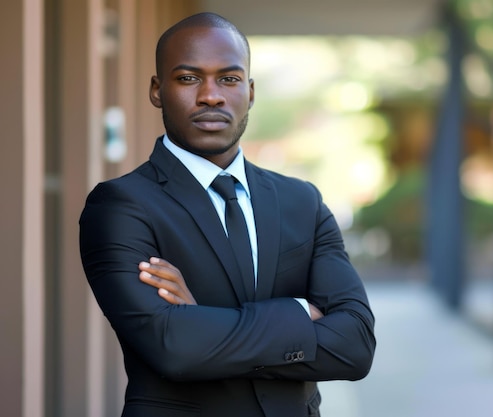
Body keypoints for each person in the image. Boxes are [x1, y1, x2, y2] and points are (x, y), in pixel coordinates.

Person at [79, 11, 376, 417]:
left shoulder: (301, 201)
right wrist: (297, 314)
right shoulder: (121, 206)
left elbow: (355, 346)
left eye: (229, 79)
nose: (211, 96)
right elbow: (174, 348)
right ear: (156, 89)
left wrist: (201, 321)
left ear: (250, 92)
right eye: (188, 78)